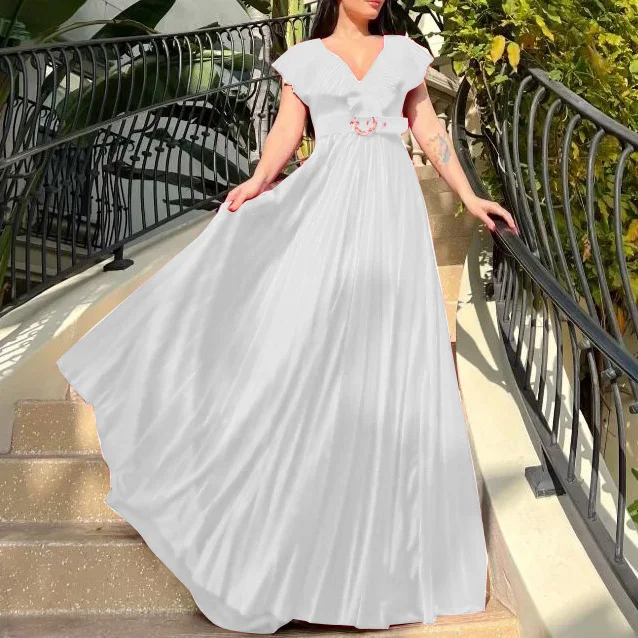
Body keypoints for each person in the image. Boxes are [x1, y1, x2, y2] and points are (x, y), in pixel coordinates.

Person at [56, 0, 517, 633]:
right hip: (326, 210)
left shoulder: (406, 55)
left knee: (388, 364)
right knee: (316, 353)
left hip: (393, 218)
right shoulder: (302, 60)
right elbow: (284, 133)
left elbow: (430, 130)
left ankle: (382, 559)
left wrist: (469, 196)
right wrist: (257, 180)